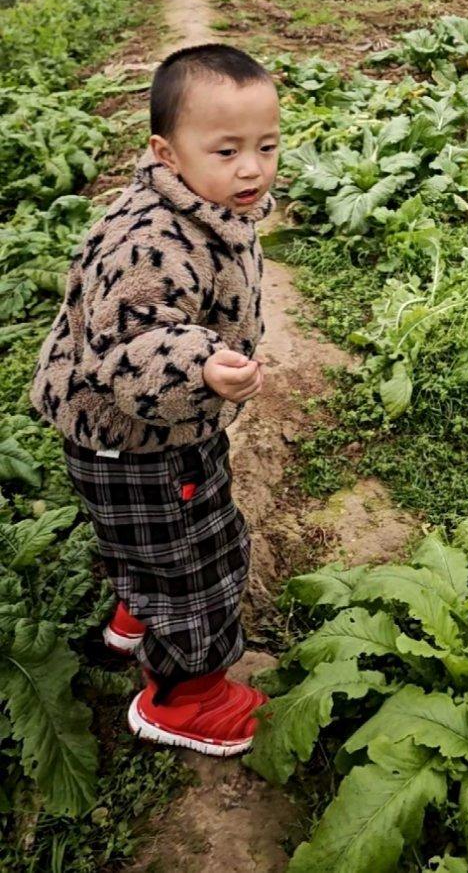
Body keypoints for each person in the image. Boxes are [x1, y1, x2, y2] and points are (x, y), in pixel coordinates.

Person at [31, 44, 280, 757]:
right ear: (166, 154)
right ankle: (185, 698)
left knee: (148, 538)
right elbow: (129, 351)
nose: (253, 169)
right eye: (227, 149)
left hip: (154, 433)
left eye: (266, 146)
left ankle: (136, 611)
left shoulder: (204, 200)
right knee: (196, 561)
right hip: (137, 436)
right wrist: (201, 366)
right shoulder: (152, 241)